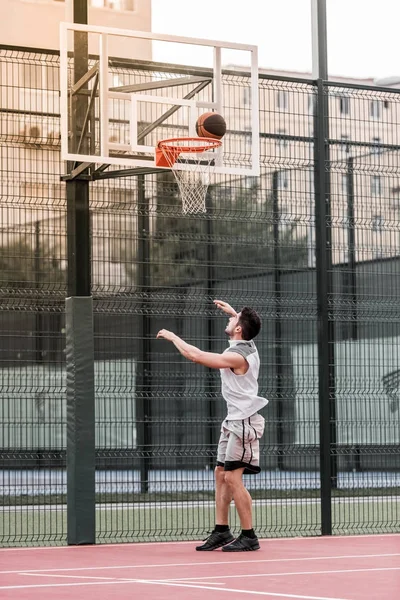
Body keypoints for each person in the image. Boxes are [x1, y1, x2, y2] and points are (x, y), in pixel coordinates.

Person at [157, 299, 268, 552]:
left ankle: (249, 536)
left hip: (244, 422)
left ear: (240, 329)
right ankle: (221, 531)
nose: (230, 319)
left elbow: (194, 356)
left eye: (234, 319)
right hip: (232, 421)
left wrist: (173, 337)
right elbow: (243, 325)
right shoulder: (247, 343)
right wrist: (233, 312)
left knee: (232, 477)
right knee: (220, 473)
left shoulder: (237, 356)